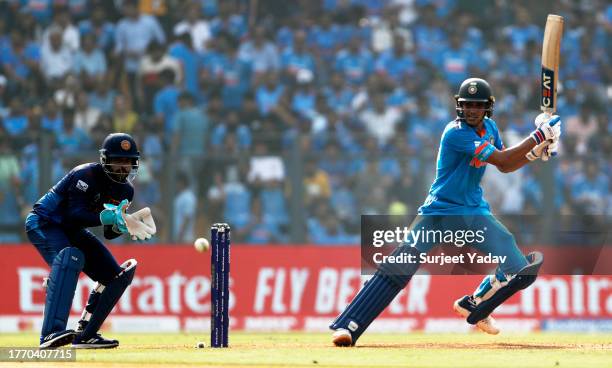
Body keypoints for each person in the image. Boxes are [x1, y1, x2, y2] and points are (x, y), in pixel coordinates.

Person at [329, 78, 562, 346]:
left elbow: (506, 166)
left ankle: (475, 304)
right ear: (459, 107)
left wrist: (535, 153)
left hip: (473, 212)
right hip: (438, 213)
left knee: (519, 268)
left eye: (478, 105)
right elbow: (503, 159)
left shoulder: (490, 128)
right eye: (467, 105)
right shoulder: (456, 133)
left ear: (487, 108)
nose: (473, 110)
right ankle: (348, 327)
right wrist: (539, 137)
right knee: (399, 267)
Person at [25, 133, 156, 349]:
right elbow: (75, 213)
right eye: (119, 161)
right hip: (46, 222)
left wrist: (122, 225)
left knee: (116, 276)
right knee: (70, 258)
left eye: (129, 161)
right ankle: (51, 334)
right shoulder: (85, 174)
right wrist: (109, 217)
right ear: (105, 160)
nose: (124, 167)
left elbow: (109, 233)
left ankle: (85, 334)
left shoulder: (126, 191)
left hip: (72, 230)